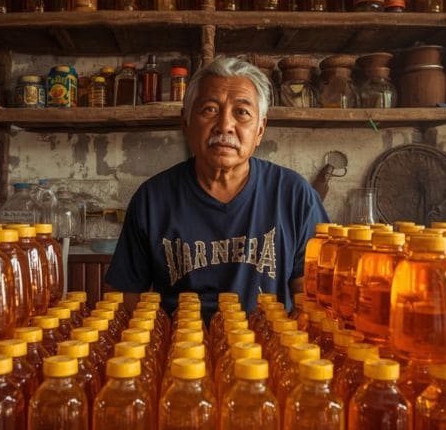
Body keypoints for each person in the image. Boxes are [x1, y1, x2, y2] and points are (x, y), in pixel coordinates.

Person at [104, 56, 329, 320]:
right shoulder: (152, 199)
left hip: (267, 343)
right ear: (186, 122)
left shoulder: (294, 195)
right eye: (209, 109)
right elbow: (125, 296)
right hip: (180, 343)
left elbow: (313, 293)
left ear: (260, 130)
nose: (225, 126)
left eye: (242, 112)